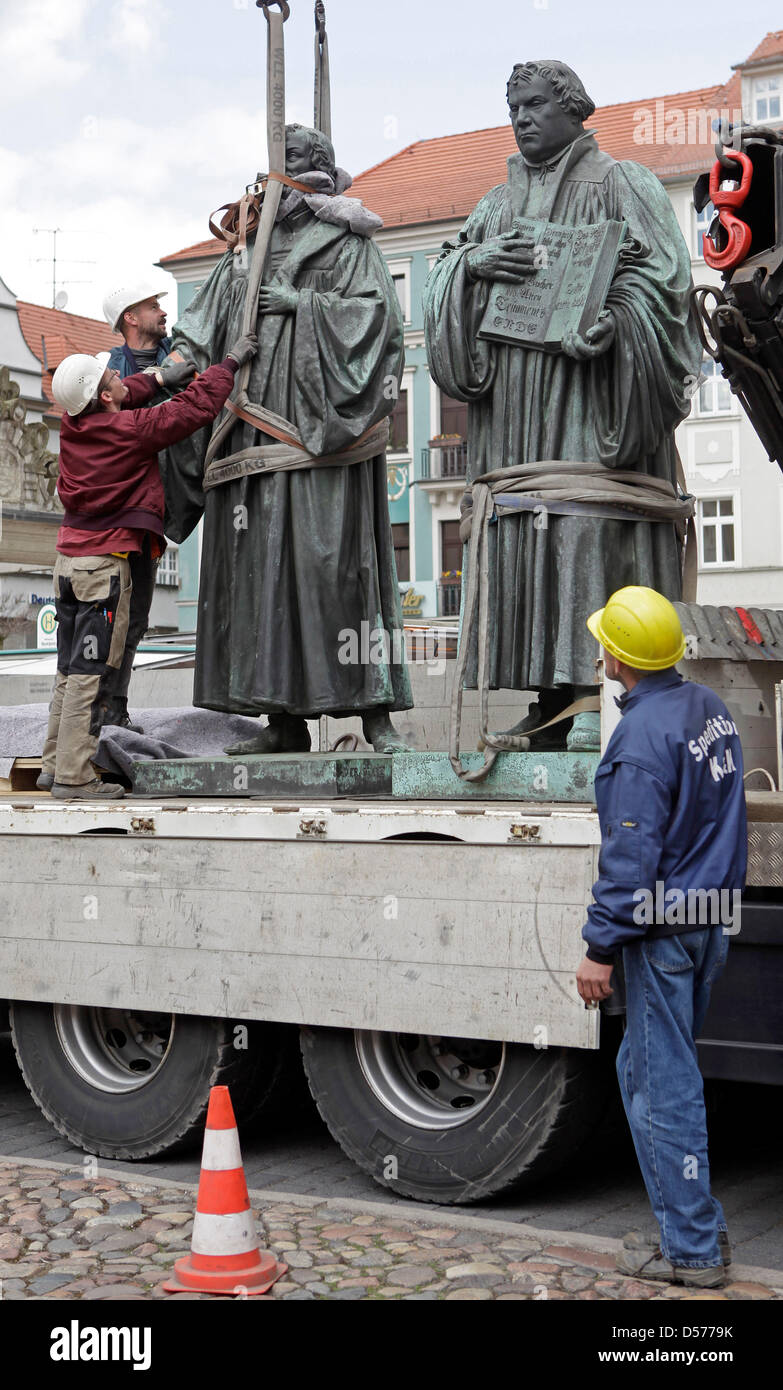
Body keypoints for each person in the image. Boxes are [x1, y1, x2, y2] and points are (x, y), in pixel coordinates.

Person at [423, 61, 701, 751]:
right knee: (528, 528)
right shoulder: (492, 205)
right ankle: (548, 697)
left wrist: (616, 320)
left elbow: (666, 284)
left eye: (535, 104)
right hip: (512, 413)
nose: (521, 117)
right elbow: (444, 277)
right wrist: (471, 266)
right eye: (512, 105)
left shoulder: (621, 182)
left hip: (589, 394)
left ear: (574, 109)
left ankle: (592, 691)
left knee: (584, 524)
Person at [161, 122, 412, 755]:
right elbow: (202, 325)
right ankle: (280, 722)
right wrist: (169, 369)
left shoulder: (350, 242)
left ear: (317, 169)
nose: (278, 173)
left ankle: (375, 717)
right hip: (250, 441)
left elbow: (378, 320)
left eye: (292, 159)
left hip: (322, 444)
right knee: (260, 577)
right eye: (274, 160)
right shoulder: (248, 248)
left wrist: (299, 303)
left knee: (339, 572)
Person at [576, 586, 746, 1288]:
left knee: (661, 1086)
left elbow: (629, 858)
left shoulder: (638, 740)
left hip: (663, 928)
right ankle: (691, 1228)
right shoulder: (707, 708)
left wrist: (597, 947)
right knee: (643, 1074)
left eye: (603, 644)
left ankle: (693, 1251)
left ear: (617, 656)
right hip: (709, 918)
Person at [39, 333, 256, 799]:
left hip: (67, 565)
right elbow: (190, 411)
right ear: (102, 396)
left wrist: (157, 377)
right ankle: (74, 778)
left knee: (67, 670)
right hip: (102, 572)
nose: (121, 375)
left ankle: (52, 763)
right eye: (112, 376)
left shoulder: (75, 424)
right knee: (89, 674)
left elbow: (124, 394)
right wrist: (231, 363)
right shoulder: (127, 431)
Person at [98, 281, 174, 732]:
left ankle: (116, 707)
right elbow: (107, 420)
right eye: (152, 305)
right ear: (130, 317)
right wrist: (160, 380)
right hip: (118, 518)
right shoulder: (108, 369)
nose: (161, 311)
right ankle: (103, 708)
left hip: (152, 517)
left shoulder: (176, 350)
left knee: (138, 616)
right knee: (112, 618)